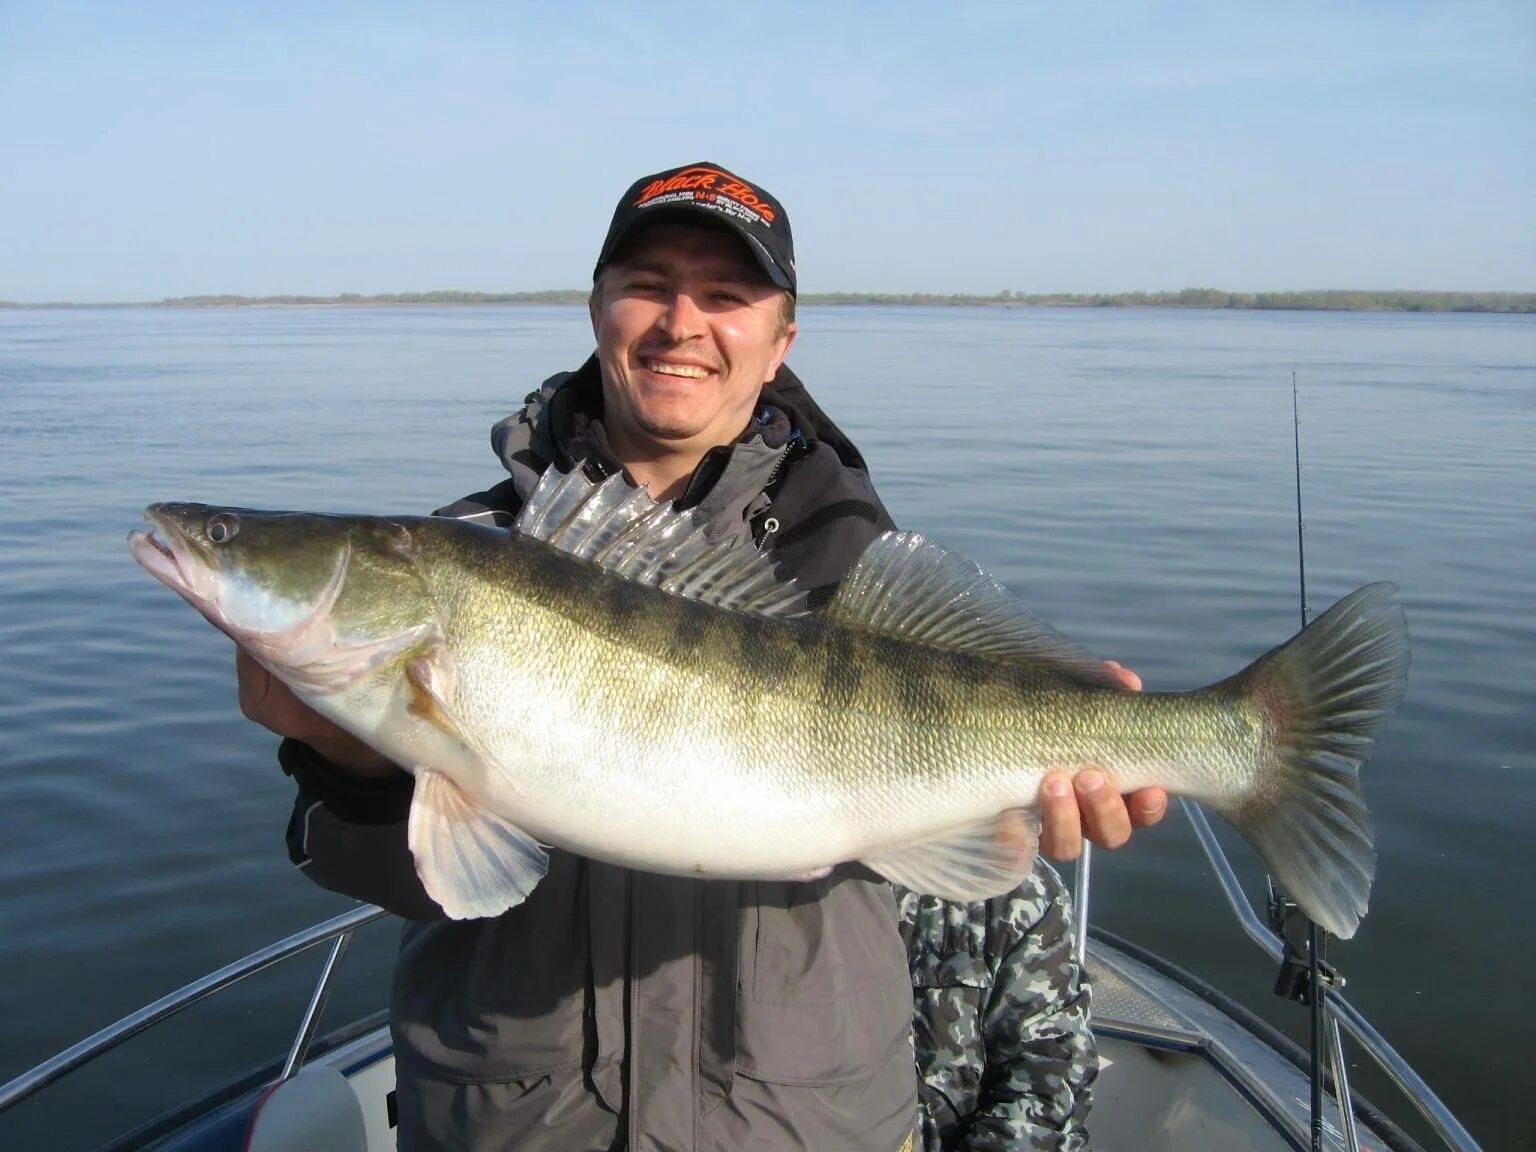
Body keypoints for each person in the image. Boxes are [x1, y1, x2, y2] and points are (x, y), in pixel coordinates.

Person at [236, 160, 1166, 1152]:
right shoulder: (469, 554)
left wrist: (1057, 777)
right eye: (648, 285)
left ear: (781, 341)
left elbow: (963, 852)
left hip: (801, 1127)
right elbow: (415, 878)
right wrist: (347, 762)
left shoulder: (848, 576)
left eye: (726, 296)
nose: (682, 322)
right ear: (597, 308)